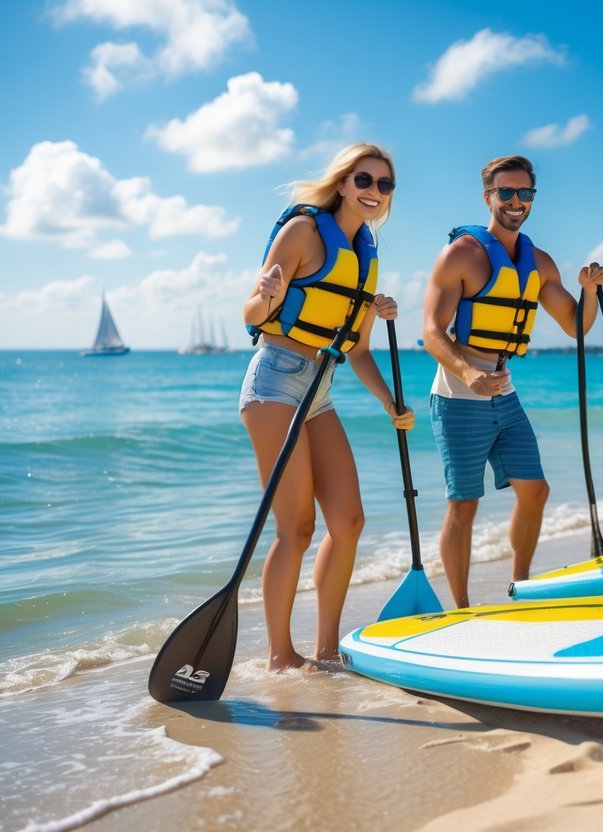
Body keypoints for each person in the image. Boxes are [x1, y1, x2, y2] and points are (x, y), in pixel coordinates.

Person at [240, 142, 415, 672]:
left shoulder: (367, 257)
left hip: (320, 389)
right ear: (343, 183)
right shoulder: (304, 233)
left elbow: (358, 350)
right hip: (274, 382)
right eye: (365, 180)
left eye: (385, 185)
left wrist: (390, 402)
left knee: (349, 521)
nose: (374, 192)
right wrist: (267, 294)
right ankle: (279, 654)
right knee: (295, 528)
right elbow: (252, 311)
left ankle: (324, 648)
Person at [423, 155, 603, 608]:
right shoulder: (460, 255)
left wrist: (591, 291)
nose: (516, 201)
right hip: (457, 394)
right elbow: (430, 330)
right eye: (506, 192)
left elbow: (576, 327)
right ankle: (461, 608)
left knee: (535, 490)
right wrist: (468, 372)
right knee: (463, 505)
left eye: (525, 193)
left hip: (504, 391)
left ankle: (519, 586)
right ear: (488, 197)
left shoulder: (539, 262)